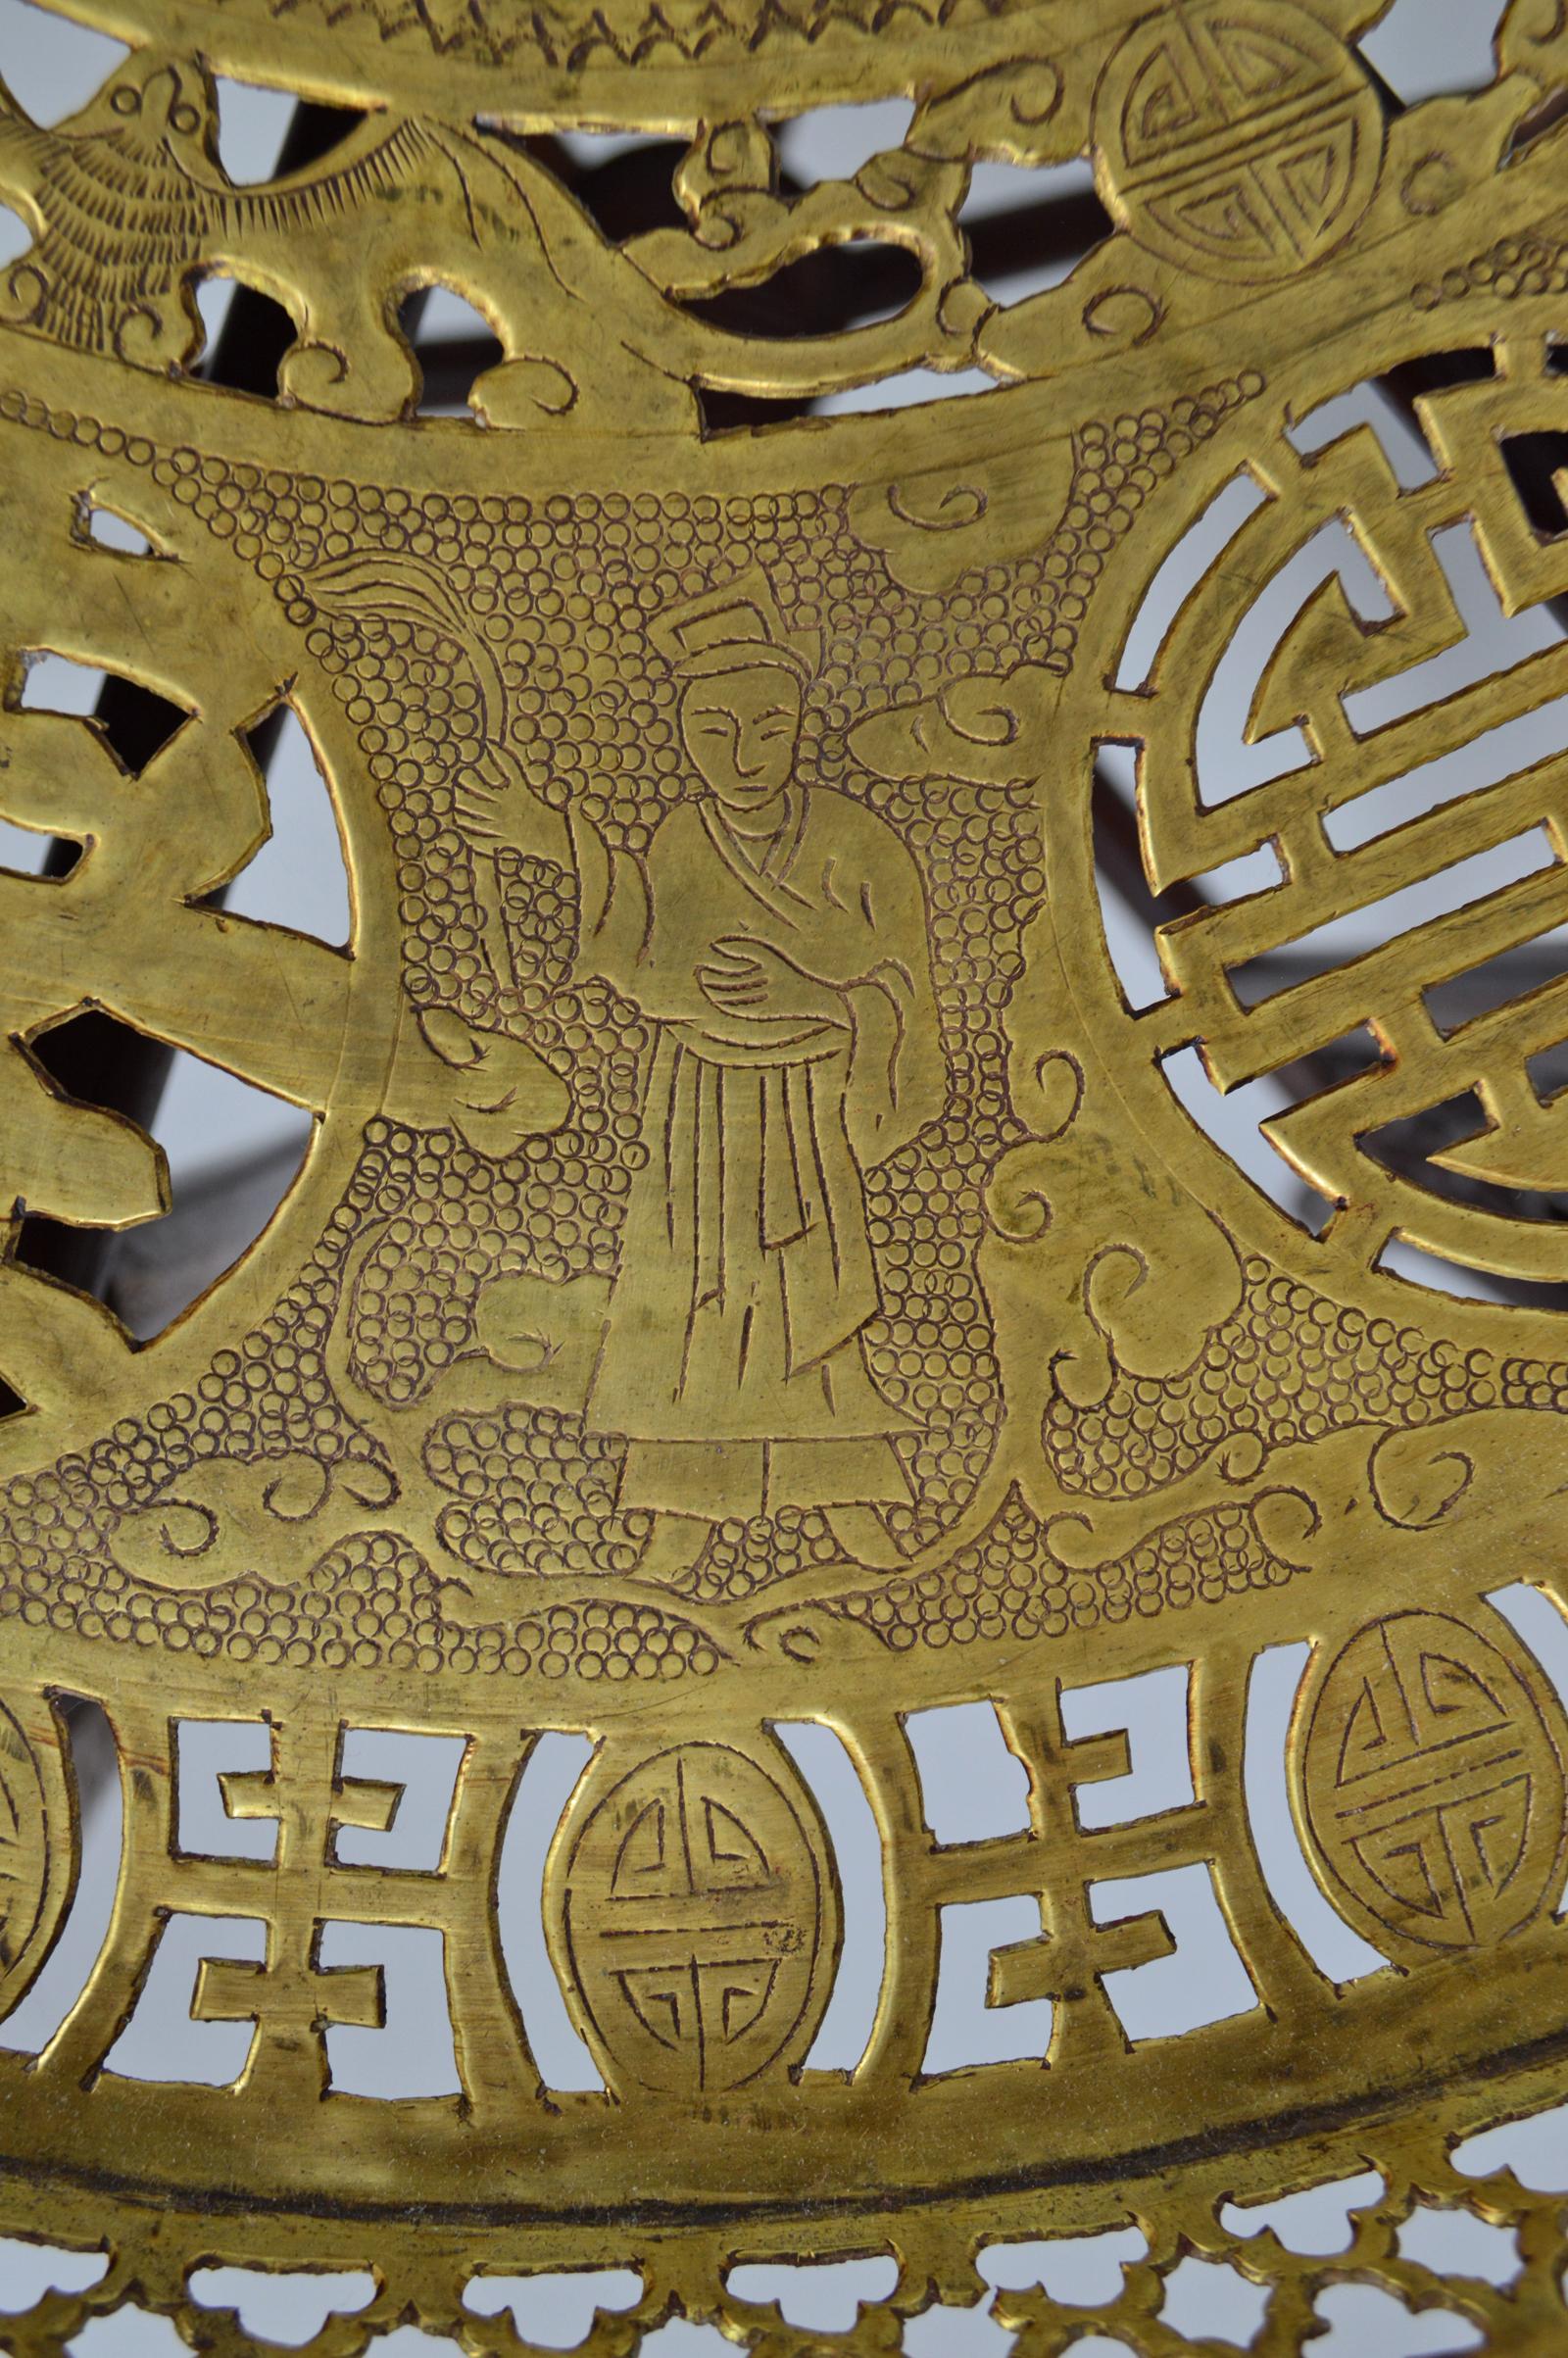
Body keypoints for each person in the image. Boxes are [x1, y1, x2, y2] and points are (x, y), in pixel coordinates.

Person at [457, 569, 946, 1577]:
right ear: (683, 735)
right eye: (713, 731)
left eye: (765, 729)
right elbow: (645, 951)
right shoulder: (685, 836)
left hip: (811, 1108)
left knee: (803, 1304)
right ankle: (684, 1505)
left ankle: (843, 1493)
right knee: (692, 1307)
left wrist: (808, 997)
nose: (741, 756)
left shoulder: (859, 844)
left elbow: (908, 993)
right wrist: (552, 841)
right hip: (699, 1109)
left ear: (798, 724)